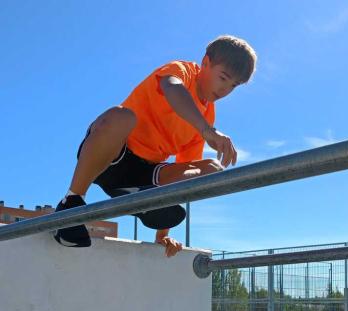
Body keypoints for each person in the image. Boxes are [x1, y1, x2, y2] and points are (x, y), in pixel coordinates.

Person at [53, 35, 257, 256]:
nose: (225, 90)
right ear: (205, 63)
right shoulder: (183, 71)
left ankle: (137, 195)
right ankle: (72, 201)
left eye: (233, 86)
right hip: (112, 154)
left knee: (210, 169)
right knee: (122, 116)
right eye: (223, 78)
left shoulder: (208, 116)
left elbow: (185, 174)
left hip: (144, 174)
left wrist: (162, 235)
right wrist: (206, 129)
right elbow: (171, 88)